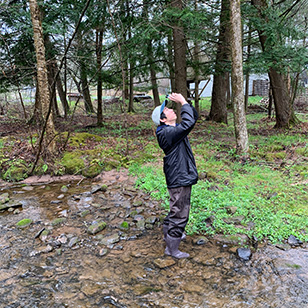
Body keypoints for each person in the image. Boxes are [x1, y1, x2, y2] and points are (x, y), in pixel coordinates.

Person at [151, 93, 198, 258]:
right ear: (163, 119)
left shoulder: (170, 130)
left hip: (179, 174)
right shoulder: (166, 133)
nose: (171, 110)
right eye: (168, 110)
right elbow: (188, 123)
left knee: (177, 208)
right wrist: (183, 102)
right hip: (179, 176)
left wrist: (187, 103)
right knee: (180, 211)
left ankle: (169, 235)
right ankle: (172, 249)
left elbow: (193, 118)